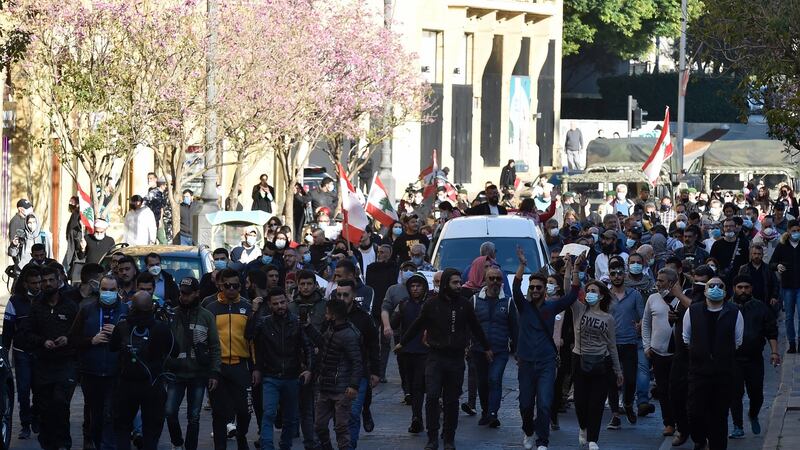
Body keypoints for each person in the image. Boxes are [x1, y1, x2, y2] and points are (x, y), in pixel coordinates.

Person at [396, 268, 492, 450]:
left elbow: (475, 327)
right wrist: (403, 343)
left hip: (455, 359)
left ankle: (449, 437)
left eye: (459, 282)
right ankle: (432, 437)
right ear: (446, 284)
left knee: (451, 400)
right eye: (455, 283)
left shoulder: (464, 304)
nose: (458, 286)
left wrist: (486, 347)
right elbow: (418, 324)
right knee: (432, 397)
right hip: (435, 357)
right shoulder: (432, 304)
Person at [513, 249, 581, 450]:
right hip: (525, 363)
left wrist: (575, 269)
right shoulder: (523, 306)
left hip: (546, 363)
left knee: (544, 404)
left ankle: (543, 440)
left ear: (544, 289)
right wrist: (522, 266)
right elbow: (516, 288)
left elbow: (572, 295)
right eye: (532, 287)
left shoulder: (552, 307)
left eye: (539, 287)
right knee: (525, 405)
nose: (535, 290)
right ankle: (528, 430)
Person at [110, 290, 177, 450]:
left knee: (122, 427)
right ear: (152, 307)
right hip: (152, 383)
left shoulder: (122, 326)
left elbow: (112, 347)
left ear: (132, 307)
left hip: (127, 383)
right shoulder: (160, 327)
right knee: (152, 430)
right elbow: (174, 350)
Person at [21, 265, 80, 450]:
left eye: (51, 280)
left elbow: (79, 333)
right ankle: (48, 444)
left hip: (65, 363)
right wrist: (42, 341)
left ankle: (63, 443)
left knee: (60, 404)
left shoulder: (71, 306)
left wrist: (67, 339)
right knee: (44, 407)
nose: (47, 284)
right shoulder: (36, 307)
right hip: (43, 364)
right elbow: (27, 334)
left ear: (58, 281)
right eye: (44, 281)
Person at [682, 276, 744, 450]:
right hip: (698, 372)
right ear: (705, 290)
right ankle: (700, 439)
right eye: (711, 286)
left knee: (719, 416)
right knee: (694, 412)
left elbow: (737, 341)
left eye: (719, 286)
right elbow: (686, 338)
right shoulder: (693, 311)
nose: (715, 289)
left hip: (723, 373)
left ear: (725, 291)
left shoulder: (734, 312)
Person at [69, 274, 129, 449]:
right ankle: (94, 440)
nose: (108, 293)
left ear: (118, 291)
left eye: (111, 290)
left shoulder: (126, 311)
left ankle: (107, 445)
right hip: (91, 372)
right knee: (95, 414)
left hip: (115, 372)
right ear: (99, 289)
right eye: (104, 289)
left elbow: (135, 341)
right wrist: (91, 341)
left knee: (109, 413)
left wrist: (118, 335)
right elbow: (73, 339)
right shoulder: (86, 310)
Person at [248, 287, 312, 450]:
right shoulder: (264, 322)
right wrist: (254, 312)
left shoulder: (296, 322)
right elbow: (249, 336)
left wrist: (309, 369)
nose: (280, 306)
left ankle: (285, 445)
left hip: (292, 375)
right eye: (275, 303)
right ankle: (267, 446)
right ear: (269, 305)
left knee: (290, 418)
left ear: (287, 302)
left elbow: (307, 347)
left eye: (282, 302)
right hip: (271, 375)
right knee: (269, 413)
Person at [165, 277, 222, 450]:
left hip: (198, 373)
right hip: (175, 373)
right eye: (181, 293)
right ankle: (177, 442)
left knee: (194, 416)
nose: (183, 297)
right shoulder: (171, 315)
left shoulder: (206, 316)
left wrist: (214, 372)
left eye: (188, 294)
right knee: (169, 412)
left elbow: (215, 346)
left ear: (197, 293)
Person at [203, 269, 254, 450]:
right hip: (219, 367)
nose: (232, 289)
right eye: (227, 285)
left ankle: (241, 436)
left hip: (241, 365)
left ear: (240, 286)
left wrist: (255, 368)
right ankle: (220, 446)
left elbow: (253, 340)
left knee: (244, 411)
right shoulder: (210, 308)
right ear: (220, 285)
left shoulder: (248, 307)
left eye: (235, 286)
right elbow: (205, 340)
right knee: (219, 412)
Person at [570, 280, 622, 450]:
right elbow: (567, 290)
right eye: (588, 290)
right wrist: (573, 269)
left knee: (596, 403)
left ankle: (593, 439)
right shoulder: (579, 309)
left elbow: (612, 345)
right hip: (579, 359)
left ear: (600, 296)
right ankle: (583, 426)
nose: (590, 293)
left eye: (593, 290)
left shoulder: (608, 318)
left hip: (601, 362)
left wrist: (617, 370)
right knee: (580, 401)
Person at [304, 299, 362, 450]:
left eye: (327, 312)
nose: (325, 315)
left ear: (334, 315)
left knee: (341, 427)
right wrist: (308, 326)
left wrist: (353, 385)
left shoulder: (349, 335)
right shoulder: (331, 329)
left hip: (341, 389)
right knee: (319, 425)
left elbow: (357, 361)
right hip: (326, 387)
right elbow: (323, 343)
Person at [728, 275, 779, 440]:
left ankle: (753, 413)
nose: (743, 290)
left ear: (751, 288)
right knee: (735, 394)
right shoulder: (727, 307)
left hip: (754, 358)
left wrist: (775, 352)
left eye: (746, 287)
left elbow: (771, 331)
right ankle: (737, 426)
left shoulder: (760, 308)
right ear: (734, 288)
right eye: (740, 287)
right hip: (732, 359)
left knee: (756, 394)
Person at [469, 266, 518, 427]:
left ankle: (493, 413)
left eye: (498, 278)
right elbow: (468, 326)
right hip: (478, 350)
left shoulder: (508, 302)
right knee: (482, 383)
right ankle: (485, 411)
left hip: (500, 350)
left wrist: (517, 350)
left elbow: (515, 328)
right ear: (485, 280)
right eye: (491, 278)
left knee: (494, 379)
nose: (495, 281)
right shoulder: (475, 300)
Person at [2, 266, 41, 439]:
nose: (38, 286)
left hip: (42, 353)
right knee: (24, 391)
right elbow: (8, 330)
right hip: (21, 352)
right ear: (25, 284)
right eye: (34, 283)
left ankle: (36, 417)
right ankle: (25, 424)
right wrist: (4, 352)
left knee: (40, 390)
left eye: (39, 282)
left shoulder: (47, 299)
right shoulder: (15, 301)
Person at [605, 260, 644, 430]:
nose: (617, 276)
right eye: (613, 273)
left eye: (619, 273)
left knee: (630, 379)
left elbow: (644, 317)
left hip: (629, 342)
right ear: (609, 275)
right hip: (611, 344)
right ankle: (614, 415)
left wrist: (640, 325)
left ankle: (628, 404)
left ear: (625, 274)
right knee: (611, 381)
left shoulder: (634, 295)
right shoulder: (605, 295)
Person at [641, 268, 679, 438]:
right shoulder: (652, 299)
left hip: (677, 353)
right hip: (657, 353)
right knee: (662, 390)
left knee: (677, 390)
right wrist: (647, 346)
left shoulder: (681, 299)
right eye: (657, 280)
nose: (657, 283)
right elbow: (646, 323)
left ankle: (681, 421)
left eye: (661, 281)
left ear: (671, 283)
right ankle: (669, 423)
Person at [393, 273, 430, 434]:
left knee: (420, 386)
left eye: (418, 286)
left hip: (425, 351)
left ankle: (421, 418)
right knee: (412, 386)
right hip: (407, 351)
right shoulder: (404, 304)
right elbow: (394, 323)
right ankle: (416, 417)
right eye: (412, 286)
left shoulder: (429, 304)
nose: (415, 289)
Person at [770, 220, 800, 352]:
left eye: (798, 231)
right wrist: (778, 266)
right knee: (789, 316)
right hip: (787, 286)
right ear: (788, 231)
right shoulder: (782, 246)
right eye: (793, 231)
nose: (796, 233)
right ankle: (792, 342)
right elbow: (772, 263)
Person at [738, 244, 780, 313]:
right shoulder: (744, 269)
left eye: (759, 254)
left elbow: (775, 283)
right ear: (751, 255)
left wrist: (774, 297)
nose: (756, 256)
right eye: (754, 253)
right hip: (748, 303)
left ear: (762, 255)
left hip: (765, 302)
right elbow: (739, 285)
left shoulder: (768, 268)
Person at [710, 218, 750, 288]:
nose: (728, 228)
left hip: (738, 281)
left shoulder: (743, 244)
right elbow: (711, 261)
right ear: (723, 229)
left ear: (735, 227)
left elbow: (747, 261)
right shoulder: (717, 244)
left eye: (731, 226)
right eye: (726, 226)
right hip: (720, 280)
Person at [63, 196, 83, 273]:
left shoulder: (77, 215)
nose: (71, 205)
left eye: (73, 203)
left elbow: (73, 231)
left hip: (76, 248)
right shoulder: (74, 215)